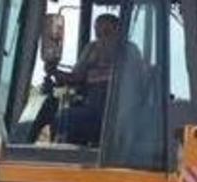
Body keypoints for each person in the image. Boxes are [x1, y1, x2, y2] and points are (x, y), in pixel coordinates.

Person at [52, 13, 145, 146]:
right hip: (93, 109)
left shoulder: (130, 51)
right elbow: (75, 78)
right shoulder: (91, 49)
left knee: (70, 119)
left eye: (106, 33)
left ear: (119, 34)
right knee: (64, 118)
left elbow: (138, 82)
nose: (101, 40)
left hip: (121, 111)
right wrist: (54, 71)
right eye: (98, 34)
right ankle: (70, 157)